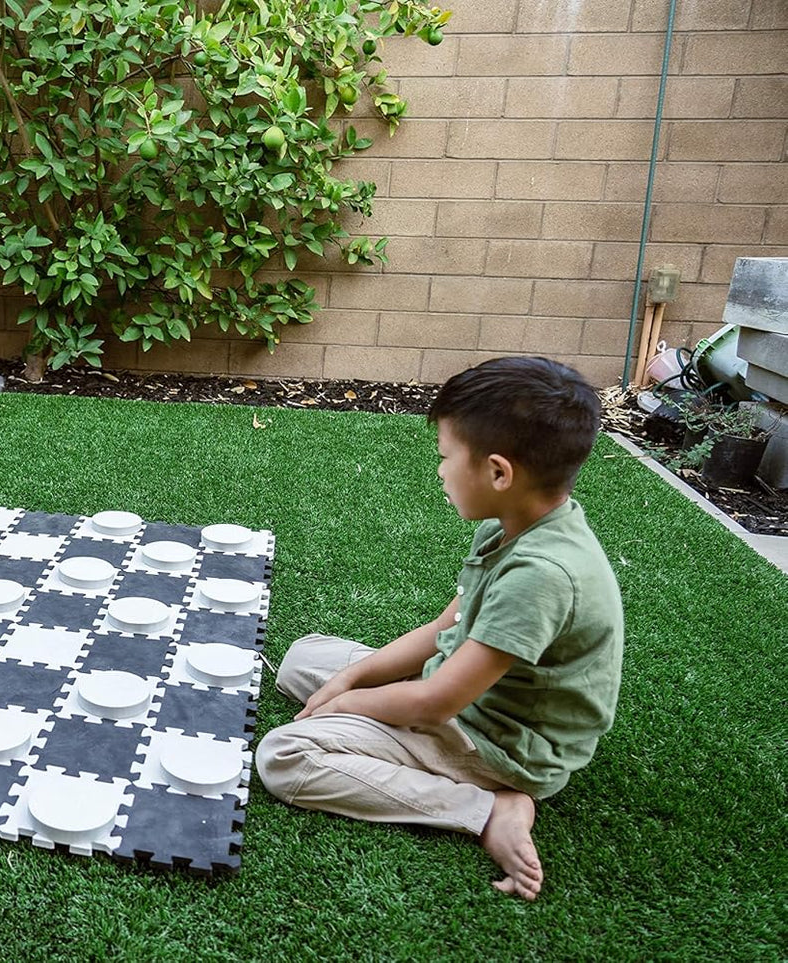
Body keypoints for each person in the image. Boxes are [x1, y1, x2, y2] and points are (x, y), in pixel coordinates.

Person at [255, 356, 624, 901]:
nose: (439, 471)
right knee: (303, 659)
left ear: (499, 472)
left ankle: (490, 807)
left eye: (446, 457)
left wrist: (346, 704)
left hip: (499, 741)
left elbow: (434, 703)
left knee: (284, 757)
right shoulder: (511, 525)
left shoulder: (543, 576)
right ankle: (374, 715)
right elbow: (442, 629)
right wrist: (350, 679)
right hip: (464, 692)